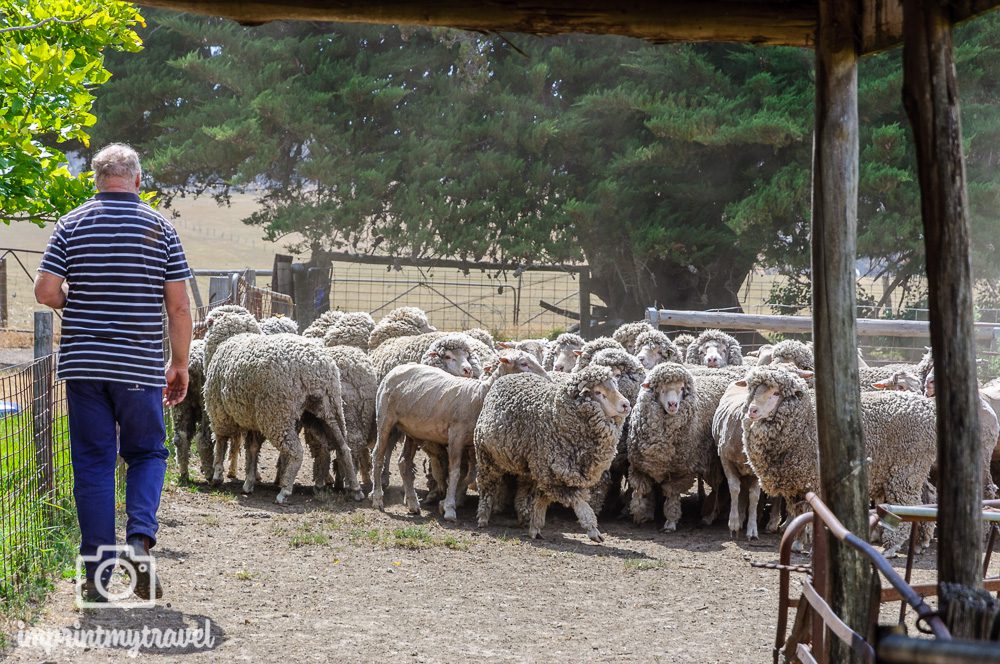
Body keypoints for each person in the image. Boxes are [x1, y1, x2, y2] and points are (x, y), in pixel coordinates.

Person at [34, 143, 192, 602]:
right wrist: (178, 364)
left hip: (83, 366)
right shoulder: (160, 228)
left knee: (93, 464)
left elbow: (45, 290)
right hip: (139, 367)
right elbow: (179, 306)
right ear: (138, 180)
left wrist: (74, 303)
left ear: (97, 180)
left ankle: (97, 577)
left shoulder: (72, 224)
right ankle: (140, 540)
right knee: (146, 454)